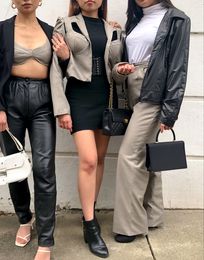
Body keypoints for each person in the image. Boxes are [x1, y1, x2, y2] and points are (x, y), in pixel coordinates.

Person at [0, 1, 68, 259]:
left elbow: (60, 71)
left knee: (44, 168)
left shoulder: (52, 32)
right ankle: (24, 218)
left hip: (43, 102)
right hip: (10, 102)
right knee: (14, 166)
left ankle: (46, 238)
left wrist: (65, 58)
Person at [49, 0, 134, 258]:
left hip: (106, 99)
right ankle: (90, 225)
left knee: (98, 161)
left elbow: (116, 71)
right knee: (87, 160)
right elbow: (54, 69)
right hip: (79, 98)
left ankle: (90, 212)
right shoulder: (65, 25)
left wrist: (122, 70)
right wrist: (61, 109)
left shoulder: (115, 30)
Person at [112, 0, 191, 243]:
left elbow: (178, 66)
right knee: (148, 155)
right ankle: (153, 216)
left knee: (129, 155)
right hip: (132, 88)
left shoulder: (177, 18)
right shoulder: (137, 18)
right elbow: (136, 54)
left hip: (153, 92)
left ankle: (130, 226)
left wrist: (170, 111)